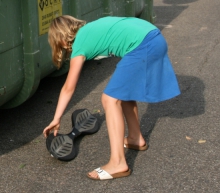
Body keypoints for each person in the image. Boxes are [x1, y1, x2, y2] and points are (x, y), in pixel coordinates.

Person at [43, 15, 180, 180]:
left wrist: (56, 118)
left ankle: (118, 163)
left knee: (109, 98)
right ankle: (135, 138)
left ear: (61, 40)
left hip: (144, 44)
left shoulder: (79, 43)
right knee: (123, 93)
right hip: (153, 36)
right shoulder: (89, 29)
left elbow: (68, 88)